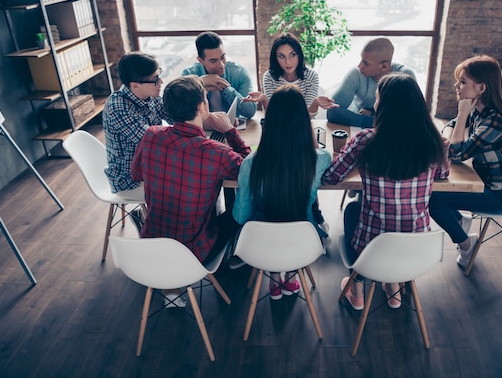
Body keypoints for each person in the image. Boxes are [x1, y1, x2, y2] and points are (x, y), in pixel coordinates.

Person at [322, 73, 449, 310]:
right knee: (398, 220)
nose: (375, 102)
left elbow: (331, 177)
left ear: (385, 106)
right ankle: (393, 286)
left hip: (374, 249)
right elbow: (442, 174)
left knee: (353, 209)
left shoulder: (365, 140)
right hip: (418, 249)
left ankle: (357, 288)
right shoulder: (433, 141)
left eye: (378, 97)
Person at [131, 75, 251, 307]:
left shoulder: (151, 135)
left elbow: (136, 175)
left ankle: (171, 287)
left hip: (152, 248)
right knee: (240, 212)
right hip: (195, 252)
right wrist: (229, 131)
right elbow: (250, 170)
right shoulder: (218, 153)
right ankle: (233, 261)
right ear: (202, 106)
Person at [233, 84, 331, 300]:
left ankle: (275, 276)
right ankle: (290, 278)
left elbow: (240, 215)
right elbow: (317, 151)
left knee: (266, 221)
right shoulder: (320, 159)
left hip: (260, 245)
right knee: (298, 221)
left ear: (269, 122)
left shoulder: (251, 164)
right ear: (304, 124)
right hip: (303, 243)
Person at [429, 55, 502, 271]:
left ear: (481, 88)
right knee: (436, 190)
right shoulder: (481, 111)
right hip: (485, 181)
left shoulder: (494, 121)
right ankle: (461, 222)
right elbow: (448, 126)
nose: (456, 86)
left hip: (501, 195)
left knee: (432, 198)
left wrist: (462, 115)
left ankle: (466, 243)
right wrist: (457, 123)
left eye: (462, 82)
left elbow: (456, 152)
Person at [103, 52, 172, 203]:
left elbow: (175, 116)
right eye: (155, 79)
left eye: (159, 74)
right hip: (129, 182)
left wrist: (209, 119)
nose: (161, 82)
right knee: (192, 188)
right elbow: (153, 142)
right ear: (135, 85)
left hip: (153, 169)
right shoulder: (117, 107)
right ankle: (151, 223)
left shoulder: (150, 96)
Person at [326, 37, 417, 128]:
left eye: (366, 63)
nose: (359, 66)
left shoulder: (404, 77)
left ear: (383, 66)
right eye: (361, 59)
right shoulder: (356, 74)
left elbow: (411, 116)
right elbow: (333, 112)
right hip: (357, 130)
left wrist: (372, 115)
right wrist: (377, 120)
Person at [250, 33, 338, 117]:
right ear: (276, 58)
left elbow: (307, 117)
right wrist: (264, 100)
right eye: (281, 56)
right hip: (278, 127)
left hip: (303, 127)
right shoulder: (269, 77)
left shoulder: (311, 76)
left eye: (292, 55)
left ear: (299, 55)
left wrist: (315, 103)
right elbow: (273, 114)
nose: (288, 62)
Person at [182, 31, 263, 119]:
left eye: (222, 57)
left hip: (234, 128)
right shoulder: (188, 75)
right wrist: (199, 84)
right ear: (200, 61)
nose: (221, 65)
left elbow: (250, 111)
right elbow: (182, 113)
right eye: (213, 61)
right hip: (202, 130)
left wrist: (227, 88)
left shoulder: (239, 73)